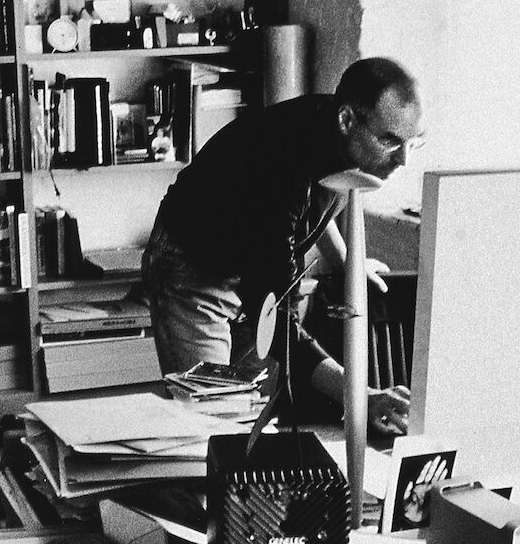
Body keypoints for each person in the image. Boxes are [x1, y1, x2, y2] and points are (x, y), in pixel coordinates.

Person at [141, 56, 423, 437]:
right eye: (390, 141)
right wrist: (362, 397)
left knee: (252, 416)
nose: (403, 159)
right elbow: (277, 330)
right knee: (212, 427)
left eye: (412, 141)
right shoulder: (278, 170)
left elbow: (316, 210)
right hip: (193, 270)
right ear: (347, 121)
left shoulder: (342, 136)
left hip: (250, 261)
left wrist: (348, 264)